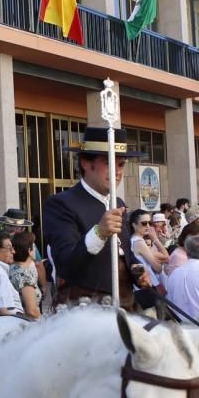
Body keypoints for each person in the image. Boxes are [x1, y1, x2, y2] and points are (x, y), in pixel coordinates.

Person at [42, 126, 146, 310]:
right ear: (85, 163)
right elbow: (65, 264)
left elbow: (125, 254)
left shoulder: (118, 202)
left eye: (121, 164)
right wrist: (99, 233)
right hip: (85, 311)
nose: (117, 171)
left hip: (126, 306)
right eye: (109, 163)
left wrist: (137, 271)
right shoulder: (61, 204)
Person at [8, 230, 42, 319]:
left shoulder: (12, 267)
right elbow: (32, 311)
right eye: (34, 247)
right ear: (29, 251)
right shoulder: (24, 275)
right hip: (27, 325)